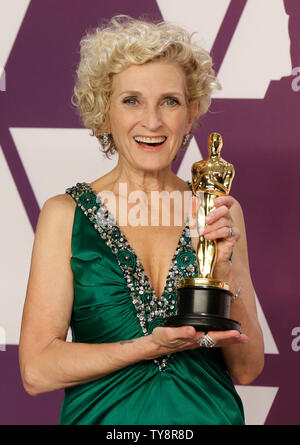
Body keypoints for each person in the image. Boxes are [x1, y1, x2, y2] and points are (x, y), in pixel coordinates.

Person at [19, 15, 264, 425]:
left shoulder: (219, 208)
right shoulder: (66, 215)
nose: (152, 121)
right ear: (104, 112)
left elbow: (247, 367)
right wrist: (149, 346)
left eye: (170, 101)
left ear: (190, 115)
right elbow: (37, 371)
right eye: (131, 100)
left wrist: (222, 270)